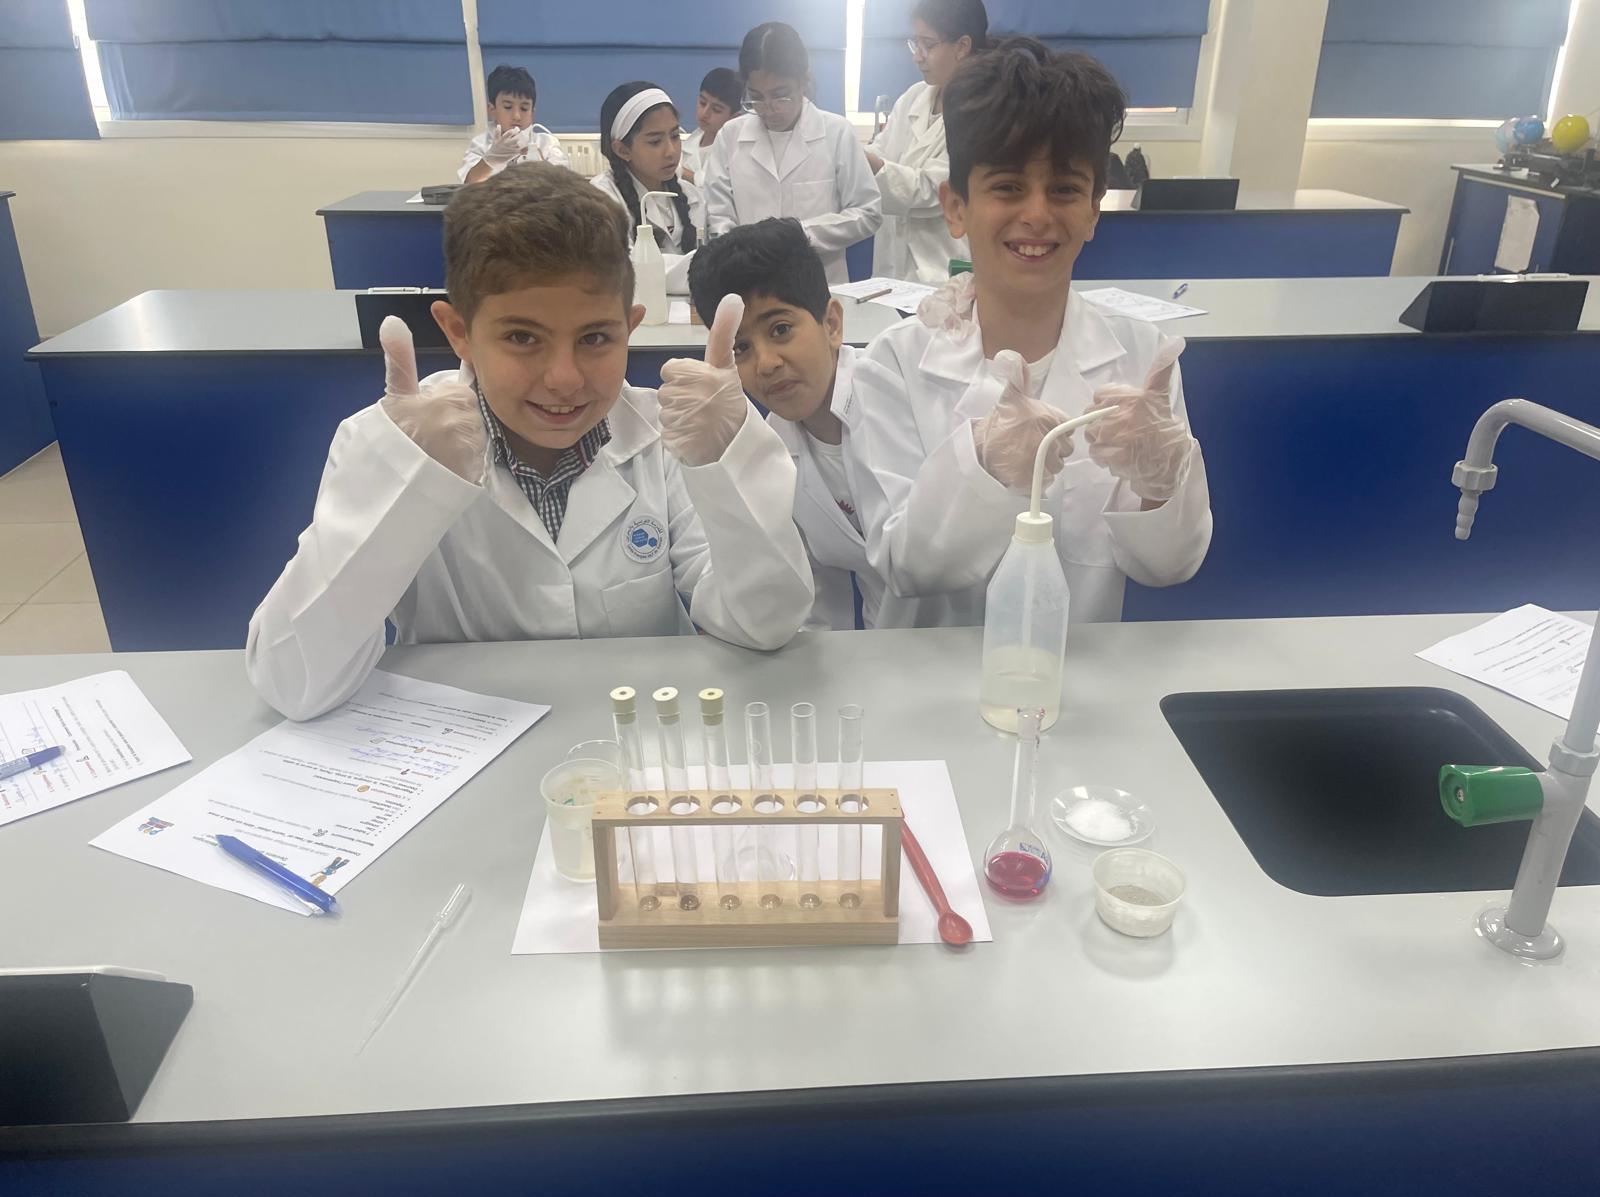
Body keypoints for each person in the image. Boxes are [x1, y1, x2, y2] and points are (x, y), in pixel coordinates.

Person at [247, 165, 814, 720]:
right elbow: (295, 682)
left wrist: (726, 461)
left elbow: (763, 624)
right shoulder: (391, 442)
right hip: (461, 750)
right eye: (522, 337)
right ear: (458, 332)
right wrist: (405, 483)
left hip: (642, 738)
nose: (564, 378)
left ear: (631, 326)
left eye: (595, 337)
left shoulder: (673, 435)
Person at [851, 39, 1212, 629]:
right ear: (955, 207)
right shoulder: (891, 366)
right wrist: (981, 468)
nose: (1038, 214)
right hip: (929, 673)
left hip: (1078, 668)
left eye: (1065, 189)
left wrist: (1161, 485)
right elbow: (905, 567)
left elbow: (1169, 566)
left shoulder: (1143, 358)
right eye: (1008, 187)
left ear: (1093, 210)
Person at [687, 218, 882, 631]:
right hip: (889, 646)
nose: (766, 364)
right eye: (740, 347)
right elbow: (812, 606)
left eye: (781, 329)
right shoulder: (773, 450)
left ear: (831, 324)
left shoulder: (894, 395)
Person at [702, 21, 882, 286]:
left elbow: (868, 212)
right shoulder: (730, 136)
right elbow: (718, 217)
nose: (768, 108)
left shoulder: (836, 133)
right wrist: (739, 249)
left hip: (821, 285)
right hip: (750, 285)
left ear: (803, 81)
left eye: (780, 95)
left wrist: (801, 234)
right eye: (756, 96)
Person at [866, 0, 986, 283]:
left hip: (943, 272)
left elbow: (933, 189)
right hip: (891, 271)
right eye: (915, 44)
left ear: (962, 46)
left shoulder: (984, 110)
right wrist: (855, 155)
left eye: (928, 45)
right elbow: (882, 149)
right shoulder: (914, 97)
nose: (917, 57)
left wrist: (867, 162)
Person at [591, 82, 702, 294]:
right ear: (622, 149)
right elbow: (629, 270)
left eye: (675, 136)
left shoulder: (691, 195)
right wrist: (708, 266)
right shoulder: (601, 199)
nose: (671, 151)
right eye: (655, 141)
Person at [458, 65, 568, 183]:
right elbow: (468, 185)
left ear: (532, 113)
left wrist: (541, 164)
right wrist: (490, 160)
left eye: (524, 108)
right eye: (508, 107)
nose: (517, 116)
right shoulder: (480, 144)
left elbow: (565, 185)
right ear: (492, 109)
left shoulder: (547, 144)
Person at [679, 68, 742, 185]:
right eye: (702, 103)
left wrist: (682, 173)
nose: (705, 113)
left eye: (716, 109)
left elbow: (720, 186)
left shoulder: (737, 153)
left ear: (734, 117)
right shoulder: (687, 144)